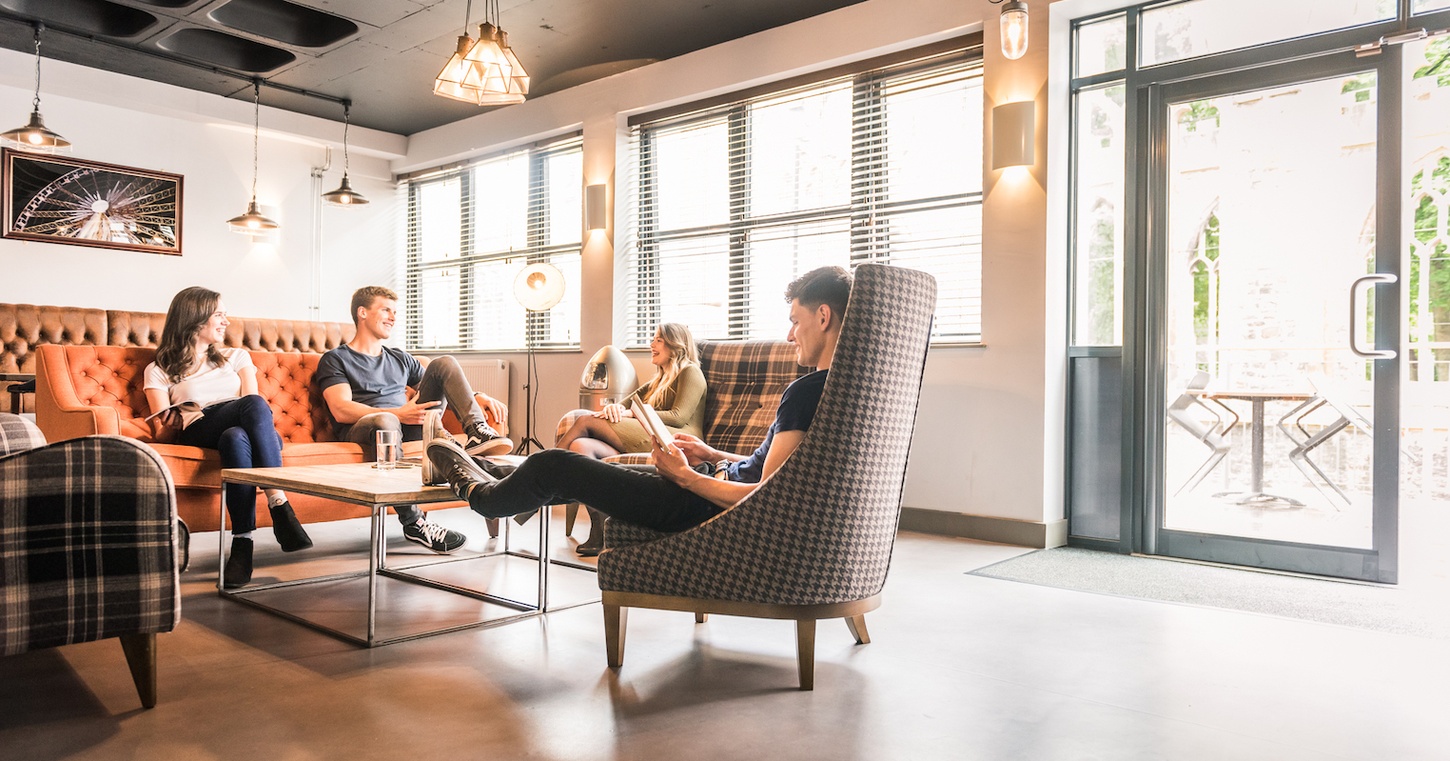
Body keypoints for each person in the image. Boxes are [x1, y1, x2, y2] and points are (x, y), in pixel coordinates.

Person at [425, 265, 851, 538]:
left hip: (699, 502)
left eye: (795, 321)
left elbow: (764, 496)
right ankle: (494, 471)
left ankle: (477, 492)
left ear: (824, 317)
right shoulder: (837, 391)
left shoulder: (808, 390)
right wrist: (710, 453)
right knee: (566, 472)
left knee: (552, 464)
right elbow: (777, 473)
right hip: (709, 477)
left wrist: (687, 477)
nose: (791, 334)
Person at [316, 286, 513, 554]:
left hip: (410, 426)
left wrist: (479, 397)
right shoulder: (336, 359)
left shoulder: (399, 357)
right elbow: (340, 408)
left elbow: (443, 383)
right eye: (386, 309)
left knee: (444, 362)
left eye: (395, 312)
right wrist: (398, 414)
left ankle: (476, 430)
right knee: (385, 421)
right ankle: (414, 522)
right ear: (362, 313)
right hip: (369, 429)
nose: (393, 317)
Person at [144, 286, 312, 589]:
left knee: (236, 436)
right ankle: (280, 503)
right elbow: (159, 431)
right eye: (219, 314)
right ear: (196, 318)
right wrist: (169, 422)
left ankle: (242, 547)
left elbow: (252, 404)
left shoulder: (236, 356)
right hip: (198, 429)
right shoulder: (159, 370)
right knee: (251, 408)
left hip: (245, 430)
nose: (226, 321)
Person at [554, 323, 706, 556]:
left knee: (584, 421)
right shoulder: (658, 381)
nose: (651, 345)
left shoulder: (690, 372)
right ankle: (599, 529)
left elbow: (678, 416)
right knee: (580, 446)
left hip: (674, 441)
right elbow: (624, 405)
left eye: (658, 340)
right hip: (650, 434)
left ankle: (542, 475)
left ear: (676, 345)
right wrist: (616, 409)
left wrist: (631, 412)